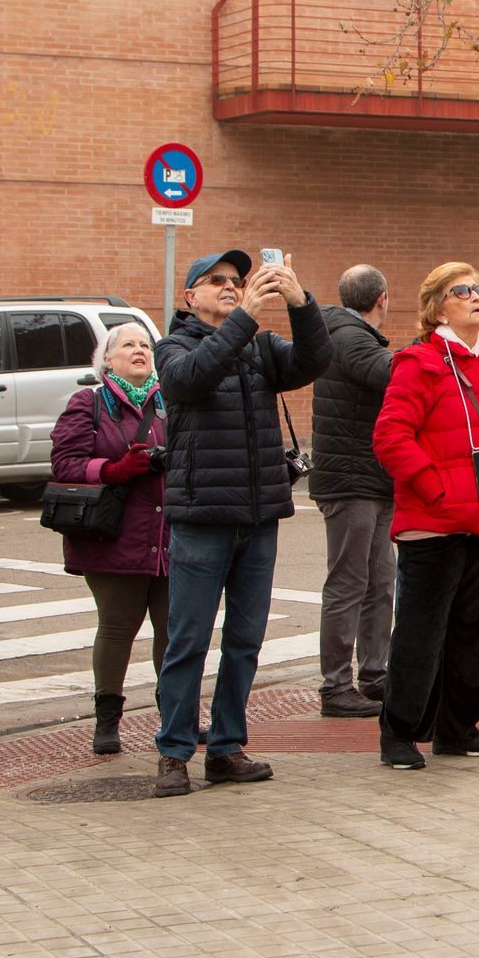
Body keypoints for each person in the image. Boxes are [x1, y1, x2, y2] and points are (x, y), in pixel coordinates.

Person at [151, 248, 331, 796]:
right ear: (190, 297)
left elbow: (314, 360)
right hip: (202, 516)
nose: (230, 287)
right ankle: (174, 752)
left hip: (258, 516)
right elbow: (192, 380)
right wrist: (246, 317)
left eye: (237, 280)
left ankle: (226, 747)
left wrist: (299, 302)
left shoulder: (259, 346)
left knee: (245, 640)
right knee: (188, 639)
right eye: (216, 281)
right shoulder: (174, 347)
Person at [372, 263, 479, 770]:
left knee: (476, 631)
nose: (477, 297)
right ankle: (400, 734)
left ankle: (458, 729)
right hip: (435, 523)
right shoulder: (418, 363)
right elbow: (390, 437)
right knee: (420, 634)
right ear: (438, 309)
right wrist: (436, 489)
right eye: (461, 291)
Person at [49, 322, 169, 755]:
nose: (139, 350)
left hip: (170, 536)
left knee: (173, 632)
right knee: (118, 629)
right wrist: (114, 470)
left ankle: (175, 719)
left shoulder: (170, 403)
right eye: (128, 344)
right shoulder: (90, 403)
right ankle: (107, 722)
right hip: (114, 537)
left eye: (145, 344)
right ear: (107, 359)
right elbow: (65, 463)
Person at [309, 264, 397, 719]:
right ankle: (336, 685)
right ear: (382, 299)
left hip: (373, 479)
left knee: (380, 581)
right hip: (351, 481)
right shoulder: (350, 338)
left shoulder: (347, 334)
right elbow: (394, 374)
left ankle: (375, 675)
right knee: (348, 584)